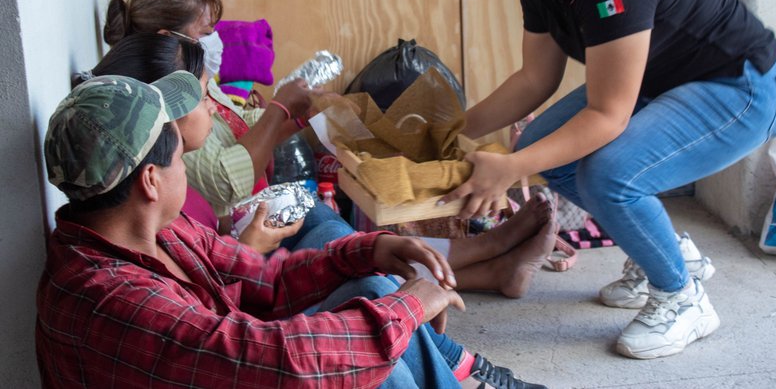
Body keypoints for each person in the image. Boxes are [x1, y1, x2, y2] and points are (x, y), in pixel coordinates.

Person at [437, 0, 776, 360]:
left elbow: (609, 115)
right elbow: (535, 79)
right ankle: (674, 258)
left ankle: (683, 298)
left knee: (609, 174)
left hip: (741, 86)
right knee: (545, 150)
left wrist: (511, 168)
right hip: (664, 78)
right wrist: (453, 131)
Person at [77, 32, 549, 388]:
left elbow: (269, 280)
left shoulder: (158, 229)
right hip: (248, 365)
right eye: (180, 158)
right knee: (372, 368)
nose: (188, 162)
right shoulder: (117, 301)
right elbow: (276, 360)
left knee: (366, 284)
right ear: (151, 180)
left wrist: (371, 250)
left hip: (237, 355)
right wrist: (406, 306)